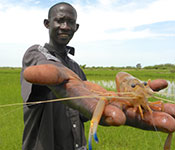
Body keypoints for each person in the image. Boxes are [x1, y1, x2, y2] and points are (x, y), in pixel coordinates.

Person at [20, 2, 175, 150]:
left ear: (76, 27)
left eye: (70, 22)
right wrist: (59, 72)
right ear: (47, 23)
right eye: (59, 21)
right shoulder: (34, 54)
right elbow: (46, 67)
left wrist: (109, 102)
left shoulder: (76, 68)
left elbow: (85, 110)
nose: (65, 27)